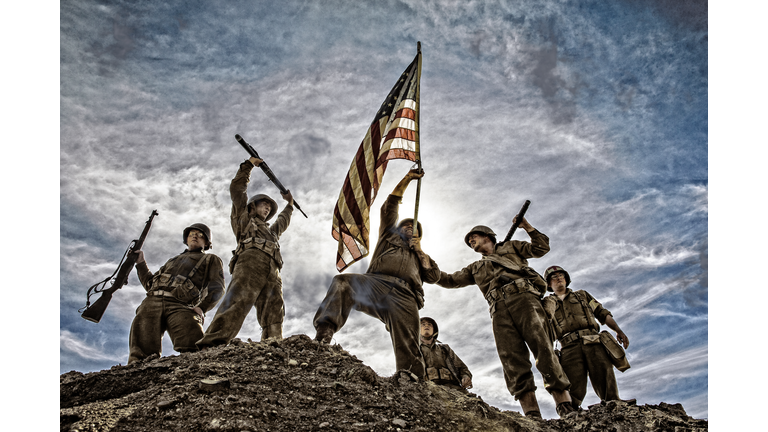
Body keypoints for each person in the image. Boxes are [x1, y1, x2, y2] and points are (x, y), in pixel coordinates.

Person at [435, 221, 576, 419]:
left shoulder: (511, 247)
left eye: (473, 237)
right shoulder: (475, 267)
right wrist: (424, 262)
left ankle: (565, 405)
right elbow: (449, 280)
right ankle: (532, 413)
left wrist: (527, 226)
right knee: (511, 359)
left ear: (487, 236)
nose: (470, 241)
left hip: (525, 299)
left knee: (543, 348)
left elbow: (541, 247)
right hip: (498, 309)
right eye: (469, 241)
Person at [313, 169, 440, 379]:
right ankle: (323, 336)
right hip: (377, 283)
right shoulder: (388, 237)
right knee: (343, 282)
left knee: (408, 340)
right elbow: (389, 206)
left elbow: (434, 276)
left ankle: (413, 383)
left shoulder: (421, 255)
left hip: (406, 296)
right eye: (406, 225)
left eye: (413, 226)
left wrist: (420, 252)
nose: (409, 227)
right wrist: (407, 178)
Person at [196, 156, 293, 348]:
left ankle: (272, 345)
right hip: (250, 261)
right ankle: (212, 343)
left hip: (272, 268)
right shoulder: (243, 220)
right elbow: (237, 190)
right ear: (252, 206)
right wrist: (248, 166)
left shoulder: (270, 232)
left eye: (269, 207)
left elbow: (281, 223)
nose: (267, 208)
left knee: (275, 308)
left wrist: (289, 206)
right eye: (263, 204)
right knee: (238, 300)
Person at [128, 223, 225, 364]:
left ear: (207, 242)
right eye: (192, 234)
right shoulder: (171, 261)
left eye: (200, 235)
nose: (195, 237)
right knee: (140, 354)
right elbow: (150, 284)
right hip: (152, 302)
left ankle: (195, 372)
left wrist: (202, 307)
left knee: (195, 346)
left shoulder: (211, 259)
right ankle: (137, 374)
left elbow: (217, 287)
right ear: (186, 239)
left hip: (181, 304)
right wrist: (141, 263)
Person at [542, 265, 630, 410]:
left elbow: (601, 312)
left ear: (566, 279)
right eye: (554, 277)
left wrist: (618, 330)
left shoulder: (582, 295)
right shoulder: (547, 303)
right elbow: (544, 329)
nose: (558, 279)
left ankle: (613, 403)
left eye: (561, 276)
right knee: (572, 383)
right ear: (549, 284)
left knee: (604, 371)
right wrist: (549, 353)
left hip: (592, 340)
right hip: (568, 346)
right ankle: (571, 413)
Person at [419, 317, 473, 391]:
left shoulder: (444, 348)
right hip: (426, 389)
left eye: (429, 324)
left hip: (452, 389)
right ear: (417, 329)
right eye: (423, 324)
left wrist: (465, 377)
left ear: (434, 330)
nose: (426, 326)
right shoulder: (413, 349)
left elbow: (462, 368)